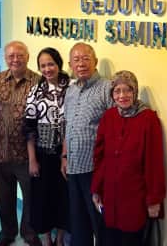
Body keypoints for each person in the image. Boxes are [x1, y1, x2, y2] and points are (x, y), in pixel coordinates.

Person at [91, 71, 166, 246]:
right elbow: (100, 157)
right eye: (117, 91)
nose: (122, 95)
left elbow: (154, 163)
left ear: (135, 91)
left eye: (127, 90)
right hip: (110, 196)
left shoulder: (148, 119)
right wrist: (96, 189)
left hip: (134, 198)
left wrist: (154, 200)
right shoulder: (109, 116)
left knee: (131, 239)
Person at [0, 41, 42, 246]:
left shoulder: (38, 82)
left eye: (20, 55)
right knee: (3, 197)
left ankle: (29, 232)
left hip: (28, 154)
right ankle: (7, 232)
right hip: (1, 152)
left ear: (27, 57)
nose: (15, 59)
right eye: (11, 56)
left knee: (31, 197)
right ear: (5, 58)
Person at [62, 42, 112, 246]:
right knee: (78, 219)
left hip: (95, 169)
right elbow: (68, 125)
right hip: (73, 166)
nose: (81, 64)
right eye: (76, 60)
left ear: (95, 61)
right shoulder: (71, 90)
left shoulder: (107, 88)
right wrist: (64, 156)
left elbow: (115, 127)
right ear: (70, 65)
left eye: (85, 59)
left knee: (99, 220)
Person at [24, 47, 71, 246]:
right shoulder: (35, 90)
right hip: (42, 154)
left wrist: (65, 156)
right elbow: (29, 128)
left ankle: (60, 239)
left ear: (58, 64)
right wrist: (32, 160)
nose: (47, 69)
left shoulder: (71, 88)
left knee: (63, 198)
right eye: (42, 66)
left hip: (65, 153)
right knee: (42, 200)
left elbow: (72, 123)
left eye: (51, 64)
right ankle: (47, 240)